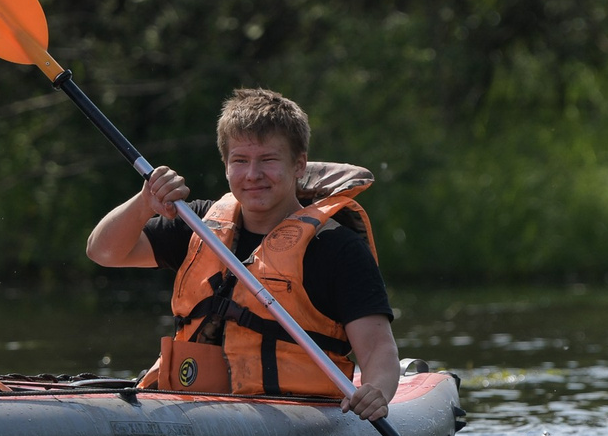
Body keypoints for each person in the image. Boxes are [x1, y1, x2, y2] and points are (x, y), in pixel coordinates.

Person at [85, 87, 402, 418]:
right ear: (225, 165)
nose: (253, 175)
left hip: (296, 415)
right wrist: (144, 203)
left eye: (268, 160)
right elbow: (103, 251)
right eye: (240, 161)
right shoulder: (198, 224)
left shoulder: (338, 248)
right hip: (190, 407)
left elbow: (378, 349)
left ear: (299, 164)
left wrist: (377, 391)